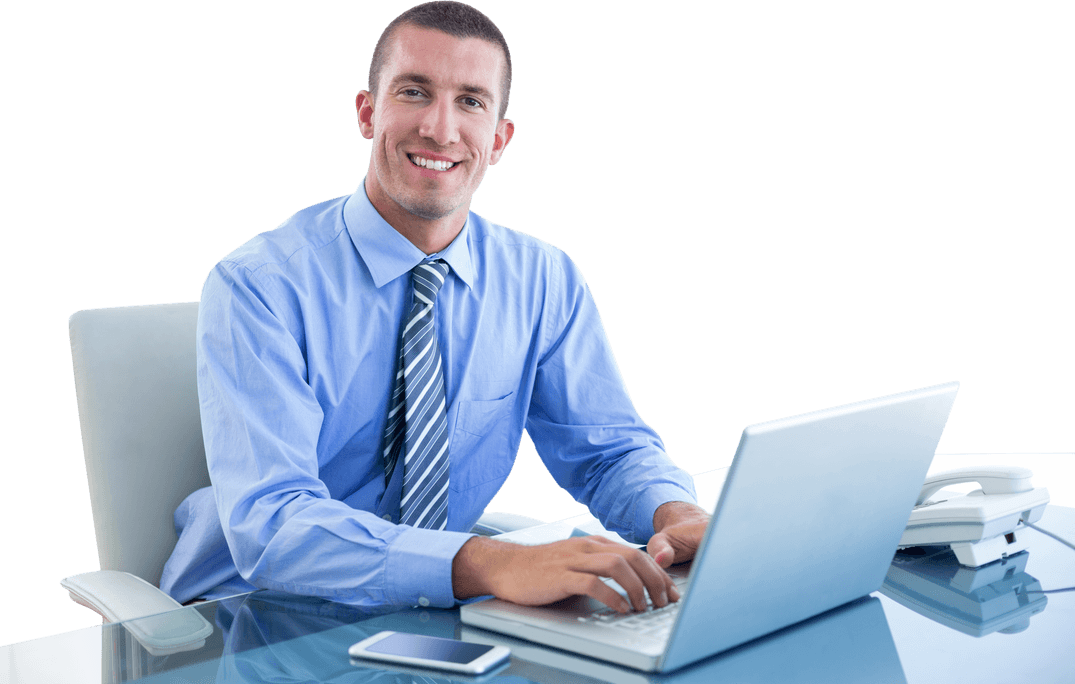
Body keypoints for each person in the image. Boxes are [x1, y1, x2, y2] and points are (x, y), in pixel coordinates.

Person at [161, 0, 709, 615]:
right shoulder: (258, 286)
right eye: (414, 93)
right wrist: (487, 563)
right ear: (368, 113)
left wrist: (676, 513)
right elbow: (272, 528)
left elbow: (608, 450)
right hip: (251, 617)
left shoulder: (543, 278)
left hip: (430, 612)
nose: (441, 130)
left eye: (471, 101)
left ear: (499, 139)